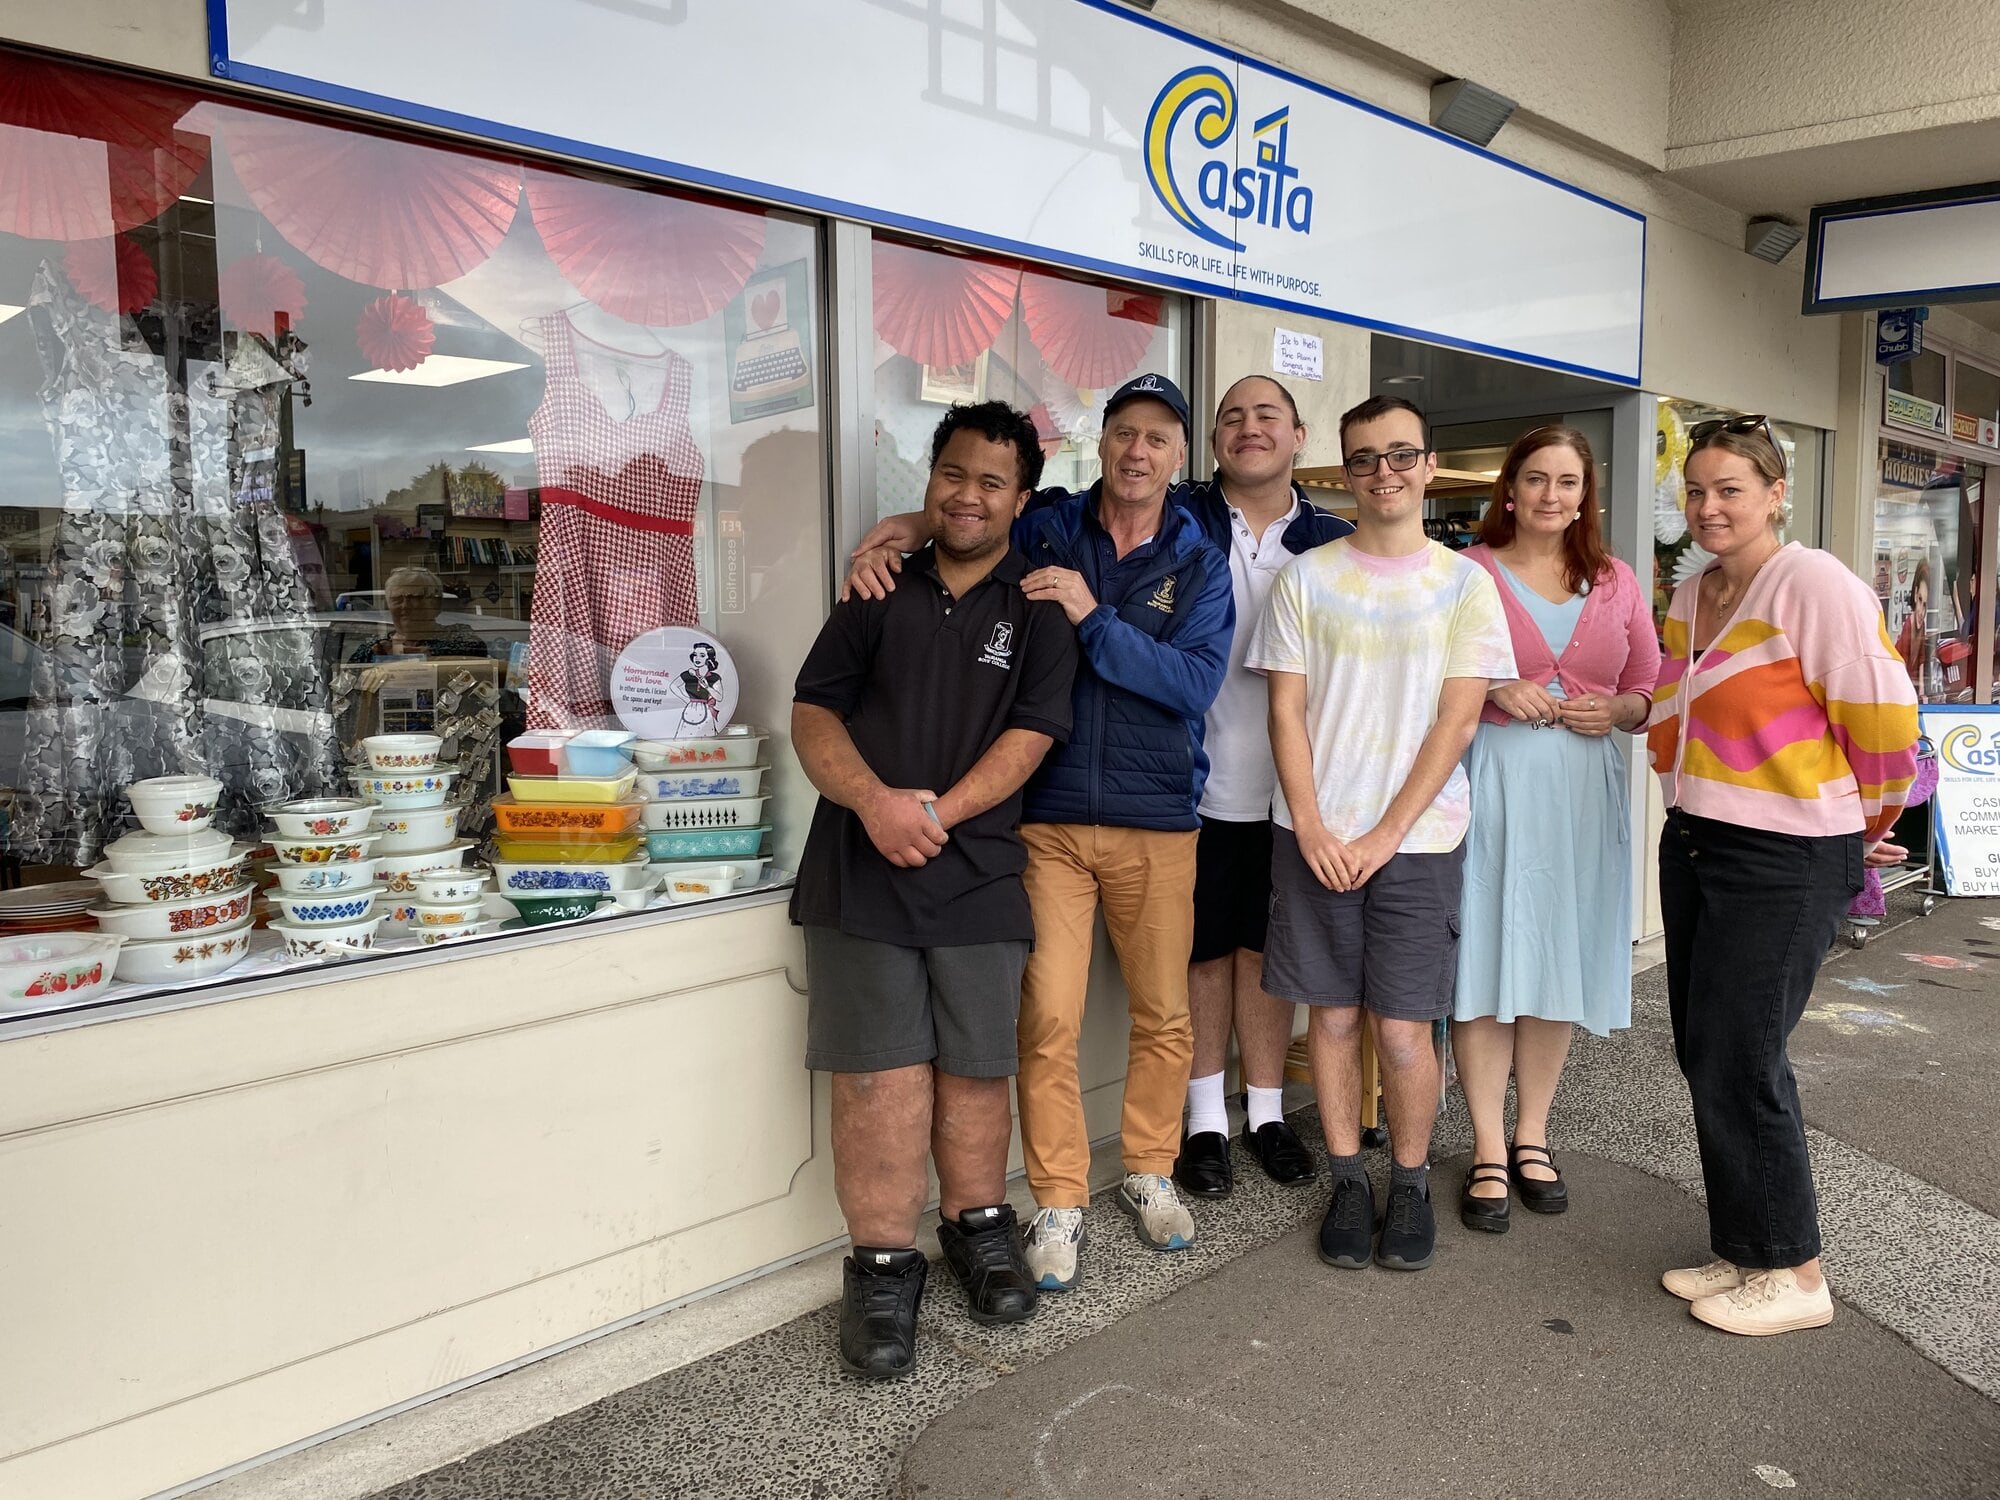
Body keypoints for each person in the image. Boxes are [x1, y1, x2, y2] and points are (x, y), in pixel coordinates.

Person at [848, 373, 1233, 1290]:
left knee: (1163, 1014)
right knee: (1047, 1018)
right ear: (1101, 443)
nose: (1138, 451)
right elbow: (966, 517)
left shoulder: (1198, 556)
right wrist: (899, 528)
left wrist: (1093, 621)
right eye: (1124, 433)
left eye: (1158, 438)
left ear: (1180, 457)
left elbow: (1194, 685)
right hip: (1048, 817)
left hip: (1156, 818)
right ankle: (1059, 1196)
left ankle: (1147, 1170)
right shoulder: (1050, 522)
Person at [791, 401, 1079, 1378]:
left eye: (991, 481)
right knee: (878, 1078)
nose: (968, 495)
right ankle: (880, 1268)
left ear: (1021, 498)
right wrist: (874, 803)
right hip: (858, 871)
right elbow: (812, 713)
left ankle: (976, 1226)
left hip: (979, 873)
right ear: (930, 478)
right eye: (952, 475)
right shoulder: (875, 589)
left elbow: (1028, 739)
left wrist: (938, 814)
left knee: (973, 1072)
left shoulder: (1039, 609)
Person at [1647, 414, 1917, 1336]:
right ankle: (1745, 1245)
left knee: (1745, 1055)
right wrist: (1644, 729)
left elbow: (1885, 725)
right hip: (1698, 839)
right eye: (1697, 491)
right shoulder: (1695, 591)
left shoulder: (1812, 583)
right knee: (1707, 1050)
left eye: (1730, 489)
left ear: (1775, 495)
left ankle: (1798, 1276)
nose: (1710, 507)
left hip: (1787, 853)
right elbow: (1685, 700)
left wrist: (1861, 828)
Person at [1246, 394, 1514, 1273]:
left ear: (1429, 466)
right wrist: (1317, 826)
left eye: (1402, 455)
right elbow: (1285, 712)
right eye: (1366, 458)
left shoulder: (1466, 583)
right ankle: (1348, 1178)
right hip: (1313, 836)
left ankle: (1407, 1180)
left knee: (1402, 1030)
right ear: (1345, 471)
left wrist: (1386, 834)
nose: (1385, 472)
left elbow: (1458, 721)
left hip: (1420, 841)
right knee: (1329, 1020)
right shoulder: (1307, 577)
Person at [1450, 425, 1660, 1233]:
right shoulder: (1470, 571)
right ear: (1510, 488)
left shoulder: (1614, 581)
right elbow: (1435, 670)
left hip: (1582, 791)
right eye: (1536, 479)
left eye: (1567, 482)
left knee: (1553, 960)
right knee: (1489, 956)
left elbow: (1647, 688)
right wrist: (1497, 686)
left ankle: (1532, 1134)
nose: (1551, 496)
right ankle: (1485, 1148)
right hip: (1493, 785)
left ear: (1585, 494)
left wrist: (1616, 709)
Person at [1170, 377, 1352, 1200]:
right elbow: (1045, 513)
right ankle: (1204, 1121)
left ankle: (1267, 1114)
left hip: (1295, 794)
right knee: (1204, 954)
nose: (1248, 428)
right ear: (1212, 441)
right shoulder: (1174, 518)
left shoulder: (1334, 541)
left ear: (1298, 435)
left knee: (1267, 955)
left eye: (1266, 415)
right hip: (1189, 783)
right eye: (1231, 417)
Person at [344, 567, 485, 662]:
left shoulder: (458, 636)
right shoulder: (374, 647)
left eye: (415, 598)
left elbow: (478, 656)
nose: (405, 605)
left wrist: (430, 658)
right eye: (397, 599)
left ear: (436, 604)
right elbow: (347, 686)